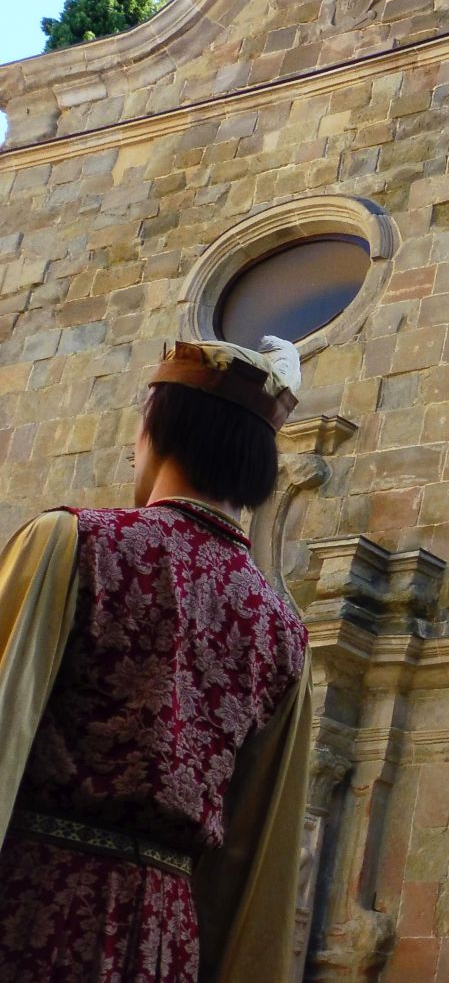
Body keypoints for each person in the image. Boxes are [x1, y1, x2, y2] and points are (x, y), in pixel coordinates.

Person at [0, 337, 313, 983]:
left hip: (35, 911)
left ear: (157, 430)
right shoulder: (282, 631)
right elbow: (256, 857)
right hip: (167, 944)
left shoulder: (73, 542)